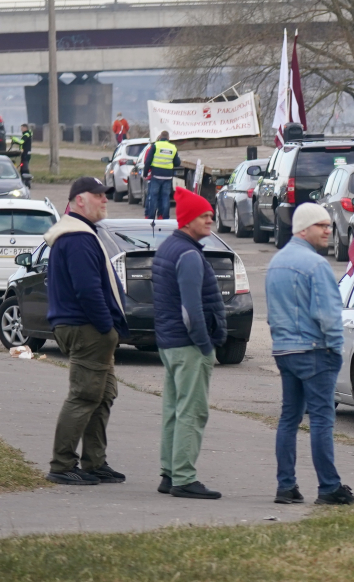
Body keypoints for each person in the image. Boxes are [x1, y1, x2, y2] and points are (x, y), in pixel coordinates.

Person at [266, 203, 354, 506]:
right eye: (321, 226)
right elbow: (329, 315)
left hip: (285, 351)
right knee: (322, 419)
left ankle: (286, 486)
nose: (328, 230)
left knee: (289, 418)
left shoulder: (276, 263)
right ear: (303, 229)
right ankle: (328, 487)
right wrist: (336, 350)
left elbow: (272, 314)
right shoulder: (316, 265)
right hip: (316, 351)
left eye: (327, 225)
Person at [43, 177, 129, 486]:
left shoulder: (80, 234)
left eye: (105, 195)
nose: (104, 200)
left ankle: (94, 462)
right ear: (80, 200)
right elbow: (87, 289)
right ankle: (62, 464)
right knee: (84, 396)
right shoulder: (77, 237)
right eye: (98, 195)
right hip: (87, 328)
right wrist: (106, 327)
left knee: (102, 394)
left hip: (86, 327)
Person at [153, 188, 227, 500]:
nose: (210, 219)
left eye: (211, 214)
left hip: (169, 343)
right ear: (187, 221)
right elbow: (191, 309)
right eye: (204, 215)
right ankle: (183, 477)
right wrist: (206, 346)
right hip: (189, 346)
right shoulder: (188, 255)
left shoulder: (169, 248)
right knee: (192, 411)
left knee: (174, 408)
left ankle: (170, 473)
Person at [143, 131, 180, 220]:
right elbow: (177, 163)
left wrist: (145, 173)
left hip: (156, 175)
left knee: (153, 197)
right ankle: (164, 217)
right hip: (168, 176)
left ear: (160, 137)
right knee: (165, 197)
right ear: (168, 138)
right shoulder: (173, 147)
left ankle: (151, 217)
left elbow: (148, 161)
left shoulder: (155, 146)